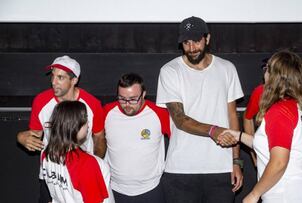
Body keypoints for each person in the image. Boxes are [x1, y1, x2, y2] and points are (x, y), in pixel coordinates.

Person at [224, 50, 302, 202]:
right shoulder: (298, 105)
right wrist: (239, 136)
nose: (264, 73)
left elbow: (279, 161)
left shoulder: (280, 111)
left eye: (267, 68)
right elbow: (271, 145)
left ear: (275, 76)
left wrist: (254, 194)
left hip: (287, 192)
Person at [156, 16, 243, 203]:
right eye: (186, 42)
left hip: (221, 168)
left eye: (196, 41)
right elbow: (179, 119)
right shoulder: (170, 70)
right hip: (181, 169)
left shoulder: (227, 68)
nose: (192, 47)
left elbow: (232, 116)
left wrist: (236, 161)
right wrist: (214, 130)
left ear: (207, 39)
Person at [16, 55, 106, 202]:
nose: (53, 82)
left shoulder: (92, 104)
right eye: (52, 76)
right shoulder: (41, 101)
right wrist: (21, 137)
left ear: (74, 80)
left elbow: (99, 138)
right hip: (52, 173)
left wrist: (94, 165)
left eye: (60, 77)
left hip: (82, 174)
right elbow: (35, 135)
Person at [103, 73, 170, 203]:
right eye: (122, 98)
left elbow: (179, 141)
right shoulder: (107, 111)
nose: (127, 104)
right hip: (115, 189)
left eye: (133, 99)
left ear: (143, 94)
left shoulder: (159, 113)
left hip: (150, 189)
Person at [42, 101, 113, 203]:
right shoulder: (88, 164)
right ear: (74, 126)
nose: (88, 123)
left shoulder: (46, 154)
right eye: (85, 119)